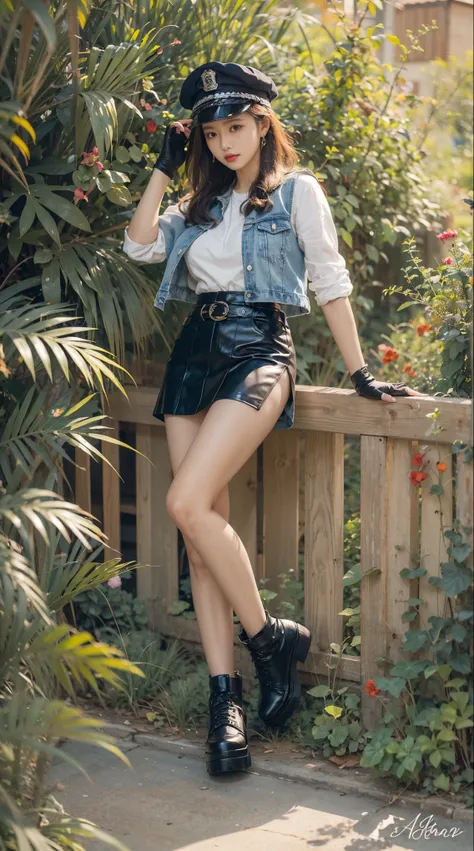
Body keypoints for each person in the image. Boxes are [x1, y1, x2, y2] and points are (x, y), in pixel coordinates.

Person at [122, 61, 424, 777]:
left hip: (259, 352)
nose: (227, 143)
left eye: (238, 126)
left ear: (263, 122)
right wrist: (164, 171)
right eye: (213, 131)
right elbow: (138, 244)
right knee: (199, 536)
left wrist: (358, 373)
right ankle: (226, 704)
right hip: (194, 355)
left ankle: (268, 639)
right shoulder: (198, 203)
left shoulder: (296, 191)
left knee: (184, 502)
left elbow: (329, 278)